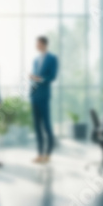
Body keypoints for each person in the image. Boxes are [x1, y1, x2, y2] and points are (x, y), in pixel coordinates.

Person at [29, 36, 59, 164]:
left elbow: (53, 76)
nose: (36, 46)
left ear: (43, 44)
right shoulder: (35, 60)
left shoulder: (52, 58)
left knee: (46, 125)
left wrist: (39, 79)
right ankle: (40, 153)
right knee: (37, 126)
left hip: (44, 96)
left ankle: (48, 153)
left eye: (38, 44)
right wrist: (32, 78)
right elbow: (35, 77)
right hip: (34, 96)